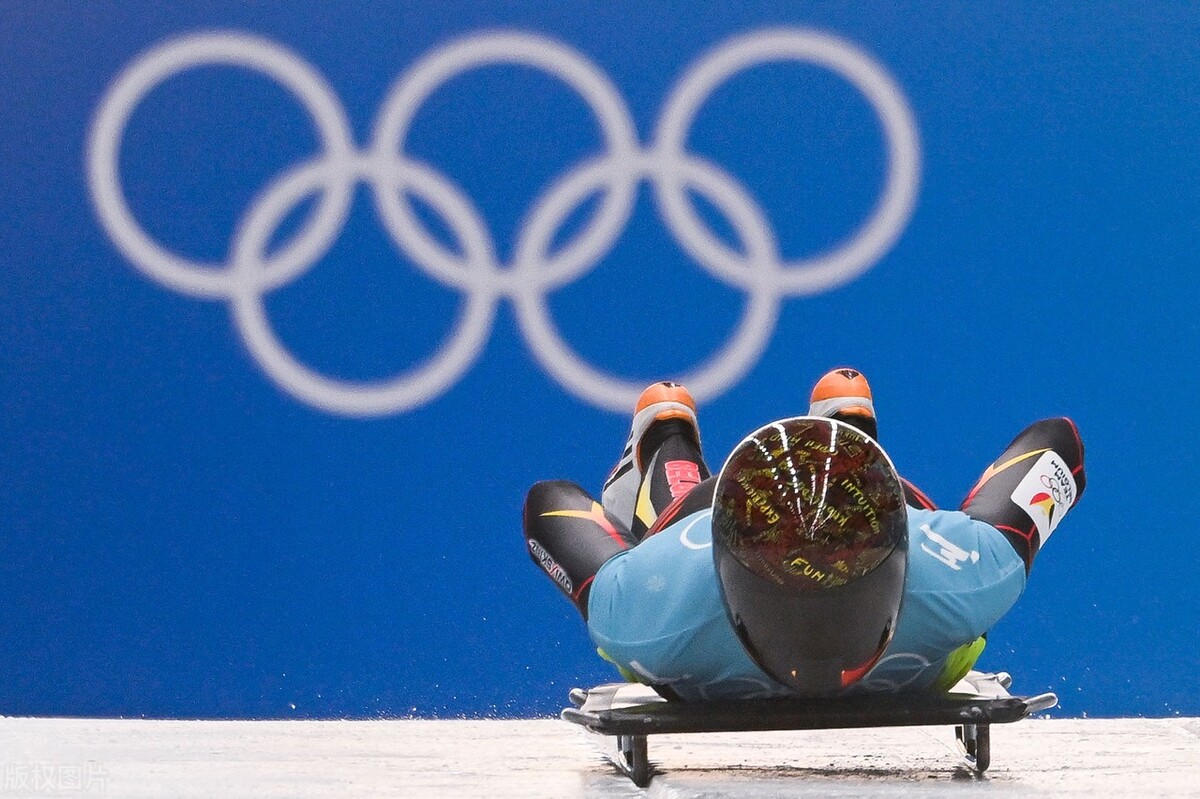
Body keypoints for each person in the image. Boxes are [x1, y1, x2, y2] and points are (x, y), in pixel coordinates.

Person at [523, 369, 1086, 701]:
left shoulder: (641, 618)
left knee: (664, 501)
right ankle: (666, 447)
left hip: (708, 575)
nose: (818, 640)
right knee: (676, 499)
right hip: (701, 525)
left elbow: (549, 505)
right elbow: (1060, 442)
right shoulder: (971, 575)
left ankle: (686, 439)